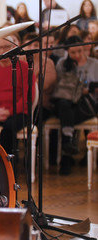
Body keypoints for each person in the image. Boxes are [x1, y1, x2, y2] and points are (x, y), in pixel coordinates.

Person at [52, 35, 98, 175]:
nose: (77, 55)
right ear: (67, 52)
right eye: (73, 53)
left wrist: (86, 89)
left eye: (80, 51)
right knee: (65, 104)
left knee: (66, 108)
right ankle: (68, 145)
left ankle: (67, 151)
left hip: (86, 105)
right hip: (66, 103)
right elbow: (59, 89)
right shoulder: (62, 64)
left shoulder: (94, 64)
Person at [0, 36, 36, 155]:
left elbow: (28, 97)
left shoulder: (25, 68)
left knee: (8, 130)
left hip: (18, 112)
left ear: (13, 48)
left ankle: (8, 166)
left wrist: (9, 111)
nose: (2, 51)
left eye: (6, 47)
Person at [22, 33, 57, 121]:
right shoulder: (17, 62)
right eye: (29, 45)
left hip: (41, 105)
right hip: (20, 103)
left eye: (36, 45)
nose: (32, 48)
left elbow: (44, 85)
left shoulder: (48, 63)